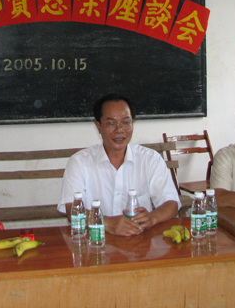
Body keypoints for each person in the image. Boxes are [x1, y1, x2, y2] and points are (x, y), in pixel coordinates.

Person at [57, 93, 180, 236]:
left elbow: (171, 203)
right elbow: (72, 211)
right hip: (95, 241)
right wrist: (109, 223)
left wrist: (152, 218)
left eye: (126, 123)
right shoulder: (79, 162)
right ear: (98, 126)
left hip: (138, 240)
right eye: (111, 123)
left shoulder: (150, 159)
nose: (119, 130)